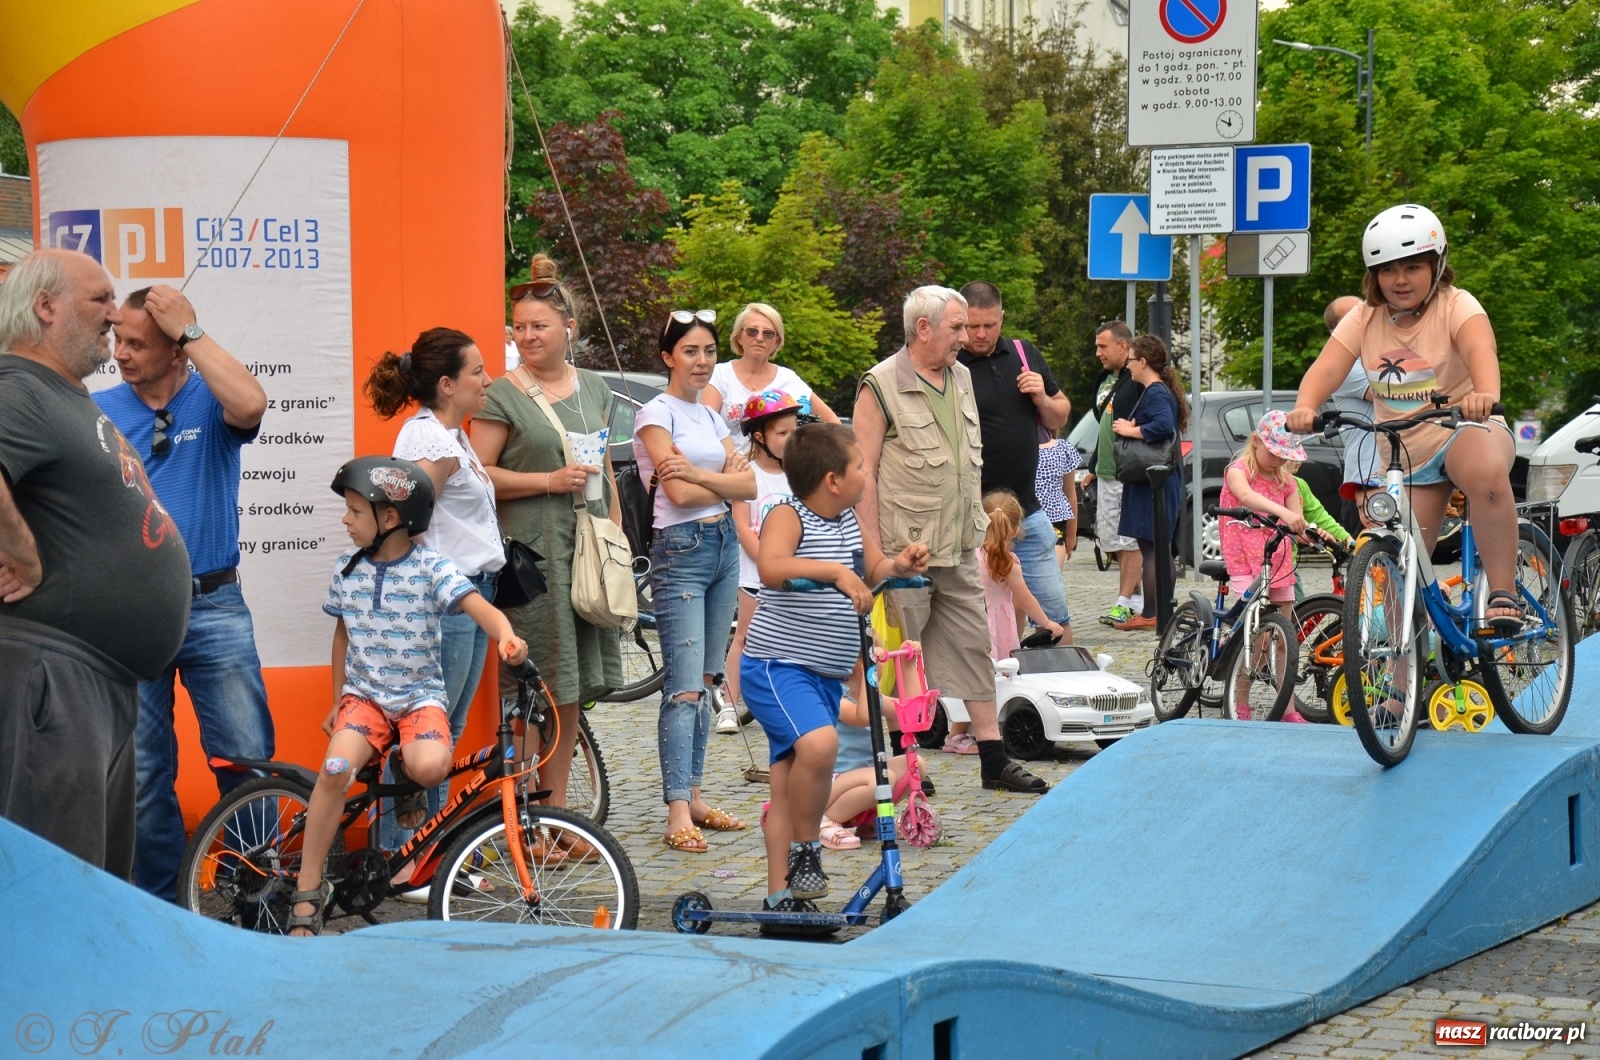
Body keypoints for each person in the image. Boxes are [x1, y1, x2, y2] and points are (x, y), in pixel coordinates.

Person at [0, 249, 190, 875]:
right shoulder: (20, 388)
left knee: (92, 886)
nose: (115, 314)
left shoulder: (62, 395)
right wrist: (24, 555)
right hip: (52, 678)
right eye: (100, 299)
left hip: (96, 683)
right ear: (45, 307)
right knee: (52, 888)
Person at [288, 457, 527, 935]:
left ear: (391, 518)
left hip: (420, 699)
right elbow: (342, 635)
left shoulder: (432, 567)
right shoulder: (347, 568)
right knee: (334, 770)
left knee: (432, 767)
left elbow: (481, 609)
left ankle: (403, 764)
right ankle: (308, 891)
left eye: (355, 511)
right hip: (364, 700)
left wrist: (506, 636)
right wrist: (337, 700)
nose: (346, 519)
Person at [91, 284, 274, 901]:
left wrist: (192, 330)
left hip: (213, 604)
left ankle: (258, 903)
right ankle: (162, 909)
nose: (120, 353)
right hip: (132, 609)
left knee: (246, 762)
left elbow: (252, 401)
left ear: (177, 351)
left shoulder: (211, 399)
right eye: (117, 339)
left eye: (137, 343)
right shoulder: (98, 411)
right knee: (143, 773)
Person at [1287, 204, 1523, 631]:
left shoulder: (1457, 305)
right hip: (1409, 453)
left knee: (1486, 473)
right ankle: (1400, 673)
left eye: (1413, 267)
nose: (1400, 279)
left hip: (1465, 427)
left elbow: (1479, 349)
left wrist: (1485, 395)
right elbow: (1326, 369)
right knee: (1401, 573)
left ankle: (1503, 592)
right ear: (1373, 275)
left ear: (1437, 265)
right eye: (1388, 269)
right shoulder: (1363, 318)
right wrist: (1306, 405)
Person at [853, 285, 1049, 794]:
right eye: (957, 327)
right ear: (923, 328)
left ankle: (993, 759)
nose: (967, 337)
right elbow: (863, 474)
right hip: (906, 550)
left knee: (973, 646)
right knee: (902, 657)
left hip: (961, 541)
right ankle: (906, 762)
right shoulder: (880, 384)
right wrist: (874, 554)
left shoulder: (960, 376)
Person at [741, 421, 928, 932]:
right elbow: (771, 568)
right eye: (860, 466)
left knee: (786, 784)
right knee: (821, 745)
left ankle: (781, 899)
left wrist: (900, 565)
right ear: (832, 479)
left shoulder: (848, 520)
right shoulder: (787, 513)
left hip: (822, 676)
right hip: (777, 667)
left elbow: (874, 570)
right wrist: (836, 573)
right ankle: (807, 849)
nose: (867, 473)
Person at [473, 257, 623, 819]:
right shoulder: (501, 394)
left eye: (539, 325)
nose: (527, 335)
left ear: (570, 329)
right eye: (519, 326)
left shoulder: (595, 388)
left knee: (570, 688)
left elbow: (604, 469)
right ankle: (523, 817)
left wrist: (616, 539)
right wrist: (547, 481)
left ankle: (558, 814)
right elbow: (478, 475)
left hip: (586, 552)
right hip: (531, 560)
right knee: (531, 688)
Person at [364, 327, 503, 868]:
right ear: (447, 384)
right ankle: (400, 858)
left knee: (443, 732)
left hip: (467, 595)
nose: (487, 380)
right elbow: (404, 525)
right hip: (446, 603)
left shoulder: (448, 436)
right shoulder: (431, 442)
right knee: (425, 734)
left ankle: (429, 856)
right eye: (477, 371)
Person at [634, 308, 755, 852]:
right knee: (683, 687)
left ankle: (697, 796)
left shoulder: (709, 415)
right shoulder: (655, 414)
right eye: (690, 351)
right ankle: (676, 810)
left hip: (724, 544)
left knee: (707, 680)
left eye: (708, 351)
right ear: (668, 357)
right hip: (680, 549)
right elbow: (678, 495)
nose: (702, 361)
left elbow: (748, 485)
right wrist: (722, 480)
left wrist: (705, 476)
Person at [956, 281, 1073, 637]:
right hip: (975, 518)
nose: (980, 334)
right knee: (986, 617)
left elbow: (1060, 414)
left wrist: (1042, 398)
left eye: (989, 325)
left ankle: (1060, 671)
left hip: (1027, 511)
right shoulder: (950, 362)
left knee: (1055, 616)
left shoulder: (1023, 353)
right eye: (972, 325)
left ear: (1002, 318)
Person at [1218, 412, 1310, 721]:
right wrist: (1283, 512)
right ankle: (1239, 702)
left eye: (1285, 456)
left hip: (1278, 561)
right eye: (1275, 453)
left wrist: (1306, 529)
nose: (1279, 461)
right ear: (1256, 441)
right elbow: (1246, 496)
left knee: (1284, 641)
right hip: (1245, 560)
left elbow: (1297, 519)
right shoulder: (1238, 471)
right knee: (1256, 639)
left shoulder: (1287, 481)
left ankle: (1288, 709)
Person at [721, 389, 802, 733]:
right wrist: (769, 564)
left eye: (794, 431)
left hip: (796, 575)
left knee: (794, 640)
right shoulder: (748, 475)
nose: (791, 438)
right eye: (782, 433)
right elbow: (743, 527)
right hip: (756, 575)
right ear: (759, 437)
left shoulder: (800, 475)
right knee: (746, 636)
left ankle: (790, 701)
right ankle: (728, 703)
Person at [1110, 335, 1187, 631]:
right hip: (1155, 478)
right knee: (1156, 547)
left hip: (1154, 480)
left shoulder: (1155, 392)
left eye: (1130, 360)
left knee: (1154, 548)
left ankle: (1153, 612)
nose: (1127, 366)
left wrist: (1130, 430)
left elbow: (1162, 426)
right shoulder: (1158, 390)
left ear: (1143, 362)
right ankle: (1158, 611)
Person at [703, 302, 839, 447]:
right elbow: (704, 429)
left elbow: (834, 423)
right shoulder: (719, 375)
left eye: (768, 334)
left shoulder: (788, 379)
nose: (759, 338)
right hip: (727, 460)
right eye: (752, 331)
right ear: (739, 337)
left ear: (776, 341)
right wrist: (731, 458)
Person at [1089, 322, 1145, 626]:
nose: (1098, 352)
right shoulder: (1105, 379)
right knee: (1115, 540)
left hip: (1129, 472)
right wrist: (1094, 466)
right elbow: (1104, 426)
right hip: (1107, 471)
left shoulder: (1136, 379)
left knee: (1130, 540)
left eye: (1103, 346)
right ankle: (1134, 599)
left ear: (1123, 347)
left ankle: (1124, 601)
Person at [1324, 295, 1374, 533]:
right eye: (1354, 316)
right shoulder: (1345, 366)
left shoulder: (1378, 358)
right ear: (1336, 331)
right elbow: (1397, 392)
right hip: (1366, 479)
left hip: (1400, 474)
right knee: (1369, 552)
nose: (1364, 319)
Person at [1035, 430, 1081, 568]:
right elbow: (1071, 495)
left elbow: (1070, 495)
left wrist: (1072, 535)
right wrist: (1071, 535)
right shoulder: (1063, 448)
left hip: (1049, 521)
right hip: (1049, 520)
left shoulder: (1063, 449)